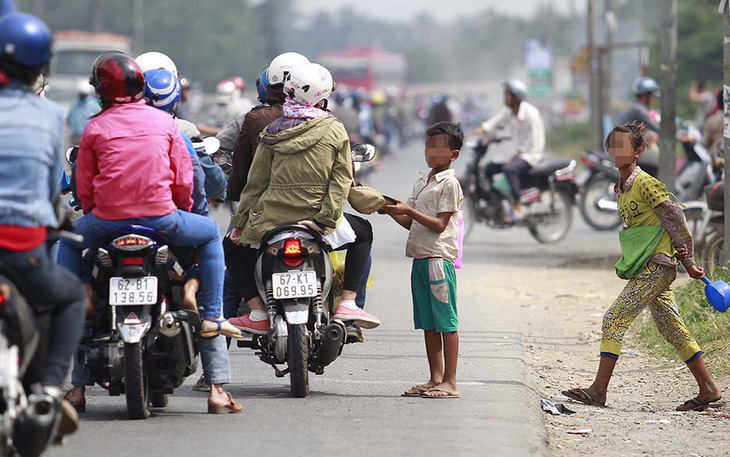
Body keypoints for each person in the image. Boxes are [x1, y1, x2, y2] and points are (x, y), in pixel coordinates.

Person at [58, 51, 241, 414]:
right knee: (208, 235)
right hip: (163, 221)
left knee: (67, 240)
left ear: (100, 92)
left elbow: (84, 189)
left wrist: (98, 212)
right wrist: (177, 211)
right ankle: (215, 349)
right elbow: (187, 183)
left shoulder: (95, 127)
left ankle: (77, 379)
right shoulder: (168, 126)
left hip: (106, 224)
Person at [562, 122, 722, 411]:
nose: (616, 151)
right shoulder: (621, 187)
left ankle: (599, 390)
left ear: (638, 151)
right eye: (612, 145)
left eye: (623, 146)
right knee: (673, 329)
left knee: (613, 319)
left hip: (658, 267)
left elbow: (675, 219)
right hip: (647, 267)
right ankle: (708, 389)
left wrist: (689, 262)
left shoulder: (646, 183)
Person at [225, 62, 380, 334]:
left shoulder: (271, 130)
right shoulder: (334, 129)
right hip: (316, 221)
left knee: (231, 247)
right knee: (363, 232)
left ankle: (258, 311)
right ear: (323, 97)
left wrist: (239, 224)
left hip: (270, 221)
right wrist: (325, 221)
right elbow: (341, 181)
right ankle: (348, 303)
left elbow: (255, 184)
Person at [0, 11, 85, 435]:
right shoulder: (51, 116)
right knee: (69, 296)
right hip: (23, 249)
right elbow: (54, 184)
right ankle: (52, 389)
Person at [382, 121, 464, 398]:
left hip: (437, 258)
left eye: (438, 148)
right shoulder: (423, 180)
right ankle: (435, 377)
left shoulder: (449, 184)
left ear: (453, 154)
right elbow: (411, 223)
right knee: (428, 322)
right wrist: (390, 210)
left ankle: (450, 382)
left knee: (446, 321)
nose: (431, 152)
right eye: (428, 146)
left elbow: (440, 225)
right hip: (419, 257)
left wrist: (409, 211)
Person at [479, 78, 545, 222]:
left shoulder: (530, 114)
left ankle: (518, 206)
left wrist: (512, 158)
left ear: (515, 97)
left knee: (510, 169)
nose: (505, 98)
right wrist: (475, 133)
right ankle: (497, 202)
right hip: (515, 153)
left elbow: (532, 143)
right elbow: (493, 124)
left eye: (507, 95)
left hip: (530, 154)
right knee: (488, 168)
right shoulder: (509, 112)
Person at [66, 80, 100, 145]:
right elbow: (69, 120)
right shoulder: (75, 104)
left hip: (90, 137)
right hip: (76, 137)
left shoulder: (94, 105)